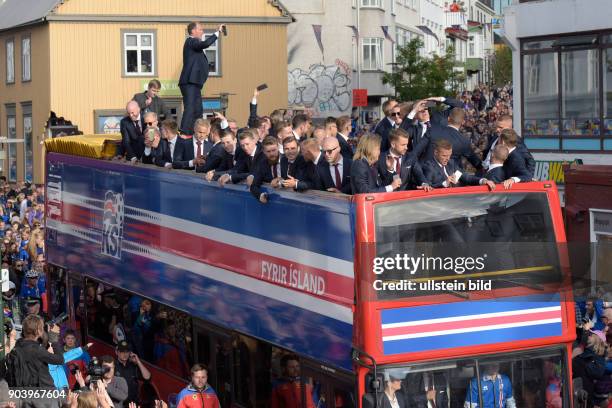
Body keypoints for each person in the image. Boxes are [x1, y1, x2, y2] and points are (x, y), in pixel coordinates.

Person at [178, 22, 226, 135]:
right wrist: (217, 33)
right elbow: (205, 44)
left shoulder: (194, 45)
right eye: (200, 29)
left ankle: (195, 131)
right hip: (189, 82)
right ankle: (184, 132)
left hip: (194, 83)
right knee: (190, 108)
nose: (202, 31)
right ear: (193, 31)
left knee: (198, 110)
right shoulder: (191, 41)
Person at [7, 314, 64, 388]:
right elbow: (60, 360)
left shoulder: (17, 348)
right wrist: (54, 339)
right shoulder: (37, 350)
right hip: (43, 394)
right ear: (38, 331)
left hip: (23, 393)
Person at [420, 139, 494, 189]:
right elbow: (428, 187)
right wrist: (445, 183)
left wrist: (482, 180)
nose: (447, 158)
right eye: (444, 156)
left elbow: (466, 177)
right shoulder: (428, 166)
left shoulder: (451, 163)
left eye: (449, 155)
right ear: (436, 153)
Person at [114, 340, 151, 407]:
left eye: (127, 352)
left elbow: (147, 377)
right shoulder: (113, 366)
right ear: (117, 352)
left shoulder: (133, 366)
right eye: (122, 352)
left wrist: (138, 361)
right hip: (119, 405)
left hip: (133, 404)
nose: (125, 354)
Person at [250, 136, 282, 203]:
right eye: (268, 151)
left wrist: (281, 179)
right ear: (264, 152)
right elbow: (254, 186)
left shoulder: (286, 160)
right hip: (271, 201)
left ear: (278, 147)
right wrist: (260, 195)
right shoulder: (263, 164)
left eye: (274, 150)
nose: (272, 154)